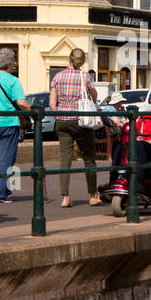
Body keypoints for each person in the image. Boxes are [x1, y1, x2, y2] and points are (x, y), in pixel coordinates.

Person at [50, 48, 102, 208]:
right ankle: (93, 195)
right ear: (83, 61)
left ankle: (65, 197)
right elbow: (94, 96)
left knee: (65, 159)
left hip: (63, 121)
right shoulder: (85, 76)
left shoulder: (57, 77)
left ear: (69, 59)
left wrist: (59, 115)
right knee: (89, 159)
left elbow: (52, 103)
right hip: (81, 121)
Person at [0, 49, 28, 204]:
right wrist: (31, 111)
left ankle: (5, 192)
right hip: (8, 123)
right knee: (7, 159)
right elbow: (21, 103)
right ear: (9, 64)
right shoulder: (13, 80)